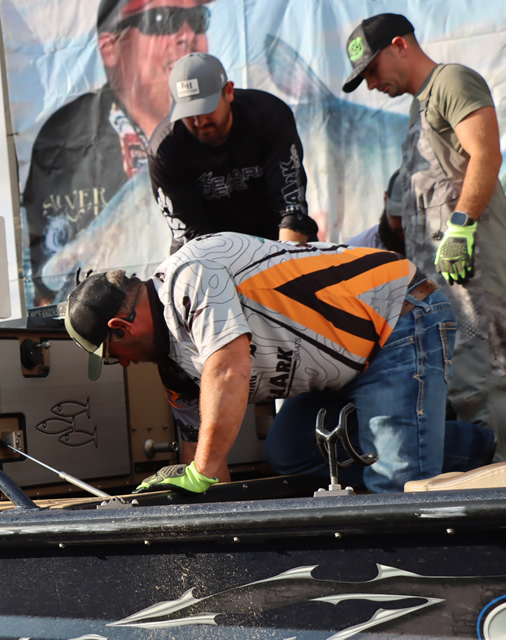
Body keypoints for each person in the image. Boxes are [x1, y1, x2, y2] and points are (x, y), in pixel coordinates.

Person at [64, 232, 494, 494]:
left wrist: (200, 472)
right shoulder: (173, 367)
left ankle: (481, 449)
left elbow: (227, 368)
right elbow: (207, 460)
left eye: (110, 354)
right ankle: (432, 439)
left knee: (396, 490)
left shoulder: (187, 276)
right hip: (346, 363)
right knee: (289, 453)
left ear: (121, 327)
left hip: (395, 317)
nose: (119, 365)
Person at [343, 13, 506, 458]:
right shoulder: (420, 107)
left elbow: (486, 152)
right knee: (457, 393)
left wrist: (461, 225)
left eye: (372, 70)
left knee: (485, 387)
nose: (372, 84)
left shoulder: (452, 81)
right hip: (442, 287)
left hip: (472, 275)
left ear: (400, 45)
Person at [22, 0, 213, 304]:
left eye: (198, 18)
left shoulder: (232, 123)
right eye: (164, 20)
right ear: (110, 47)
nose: (186, 35)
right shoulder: (64, 135)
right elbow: (47, 284)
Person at [148, 53, 318, 253]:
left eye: (205, 109)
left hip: (276, 242)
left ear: (228, 92)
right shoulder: (165, 149)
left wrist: (285, 268)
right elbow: (192, 236)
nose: (199, 122)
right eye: (188, 113)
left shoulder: (270, 117)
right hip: (208, 254)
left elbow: (291, 211)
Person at [345, 168, 405, 255]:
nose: (405, 224)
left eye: (415, 217)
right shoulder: (355, 254)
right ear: (385, 200)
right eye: (398, 215)